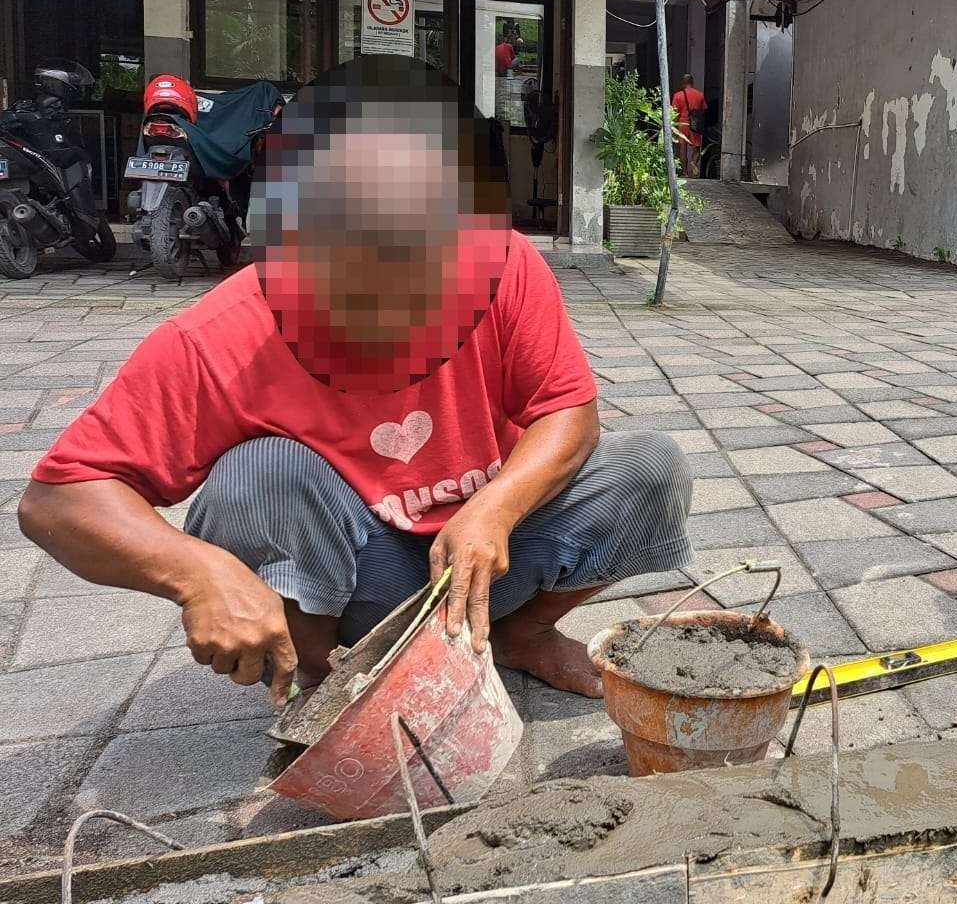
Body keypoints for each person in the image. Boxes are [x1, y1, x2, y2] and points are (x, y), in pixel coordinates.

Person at [20, 55, 692, 708]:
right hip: (354, 585)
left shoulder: (503, 262)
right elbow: (57, 501)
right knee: (259, 477)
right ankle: (331, 687)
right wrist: (195, 575)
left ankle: (524, 634)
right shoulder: (224, 334)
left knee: (650, 467)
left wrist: (498, 507)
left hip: (488, 562)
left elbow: (567, 411)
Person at [671, 73, 707, 178]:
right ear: (692, 82)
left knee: (683, 148)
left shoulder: (677, 95)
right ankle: (694, 163)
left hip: (682, 123)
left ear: (683, 83)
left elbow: (674, 112)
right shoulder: (700, 95)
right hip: (695, 124)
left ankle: (685, 172)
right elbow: (703, 109)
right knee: (696, 147)